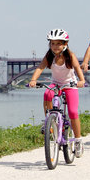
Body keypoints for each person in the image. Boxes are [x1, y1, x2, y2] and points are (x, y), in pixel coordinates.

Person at [29, 29, 85, 158]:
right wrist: (33, 79)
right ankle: (49, 121)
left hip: (70, 85)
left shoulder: (70, 56)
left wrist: (81, 80)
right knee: (47, 94)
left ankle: (77, 140)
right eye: (52, 43)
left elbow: (77, 67)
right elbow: (40, 68)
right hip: (56, 83)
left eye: (58, 43)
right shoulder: (49, 56)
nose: (55, 46)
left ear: (65, 44)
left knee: (72, 112)